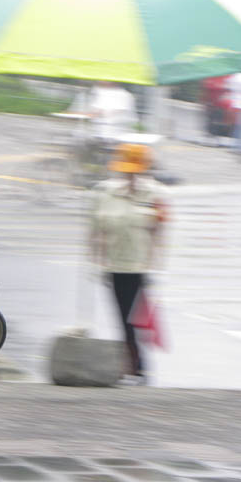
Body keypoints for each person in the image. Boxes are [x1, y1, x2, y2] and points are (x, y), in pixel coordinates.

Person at [89, 143, 168, 385]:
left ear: (144, 170)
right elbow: (96, 227)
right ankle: (134, 366)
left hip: (138, 267)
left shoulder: (154, 196)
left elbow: (160, 231)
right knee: (122, 317)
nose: (130, 175)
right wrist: (95, 255)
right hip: (113, 266)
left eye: (135, 171)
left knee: (133, 319)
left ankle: (137, 367)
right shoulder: (107, 194)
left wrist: (156, 261)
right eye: (127, 171)